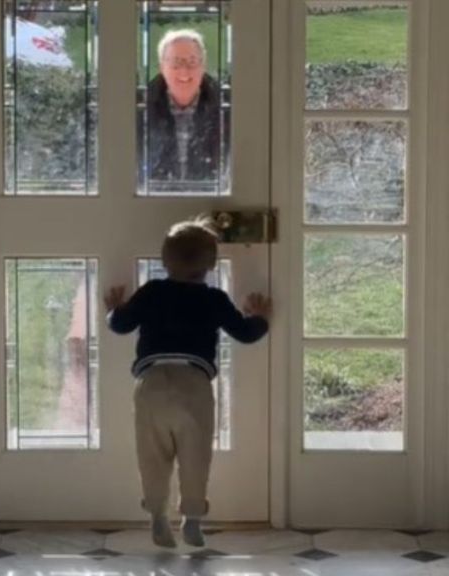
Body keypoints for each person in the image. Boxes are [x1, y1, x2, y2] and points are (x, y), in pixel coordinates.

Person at [104, 216, 270, 548]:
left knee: (152, 455)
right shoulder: (214, 299)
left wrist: (114, 310)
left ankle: (156, 516)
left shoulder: (151, 292)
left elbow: (121, 325)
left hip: (151, 384)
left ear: (164, 262)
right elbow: (245, 334)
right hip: (194, 385)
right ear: (210, 264)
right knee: (195, 456)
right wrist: (259, 318)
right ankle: (192, 519)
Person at [140, 29, 223, 187]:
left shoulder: (226, 109)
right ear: (162, 67)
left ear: (203, 66)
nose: (184, 71)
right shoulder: (140, 109)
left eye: (192, 62)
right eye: (176, 63)